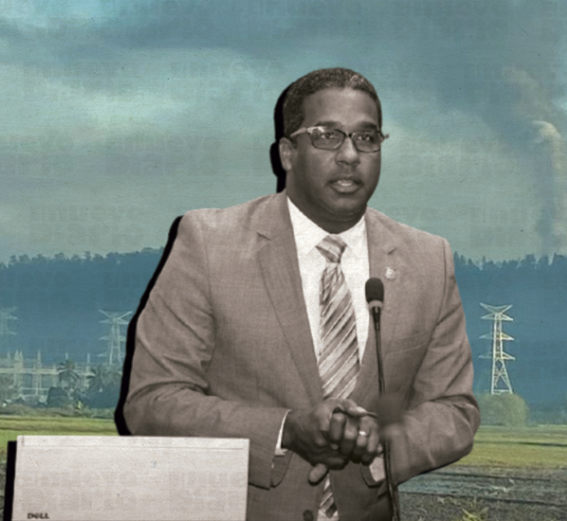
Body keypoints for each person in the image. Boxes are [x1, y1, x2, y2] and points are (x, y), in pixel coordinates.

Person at [121, 67, 479, 521]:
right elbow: (153, 402)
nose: (350, 155)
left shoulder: (428, 259)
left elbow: (453, 411)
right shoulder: (209, 244)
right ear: (287, 153)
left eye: (367, 138)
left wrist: (379, 442)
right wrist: (286, 430)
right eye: (328, 136)